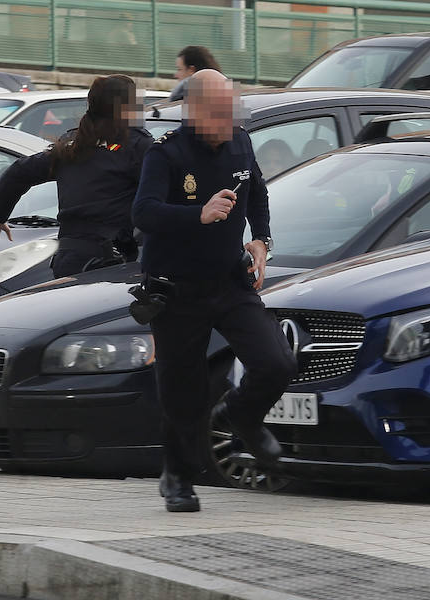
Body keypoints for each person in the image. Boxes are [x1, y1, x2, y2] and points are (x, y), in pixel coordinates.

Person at [132, 69, 298, 513]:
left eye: (232, 111)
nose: (230, 120)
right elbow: (144, 212)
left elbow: (257, 193)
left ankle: (241, 414)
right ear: (196, 112)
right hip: (176, 288)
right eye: (221, 113)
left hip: (228, 280)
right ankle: (179, 477)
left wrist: (261, 239)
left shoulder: (240, 143)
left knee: (276, 361)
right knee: (183, 392)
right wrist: (198, 215)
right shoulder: (164, 153)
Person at [0, 74, 152, 278]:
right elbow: (161, 195)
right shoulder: (137, 146)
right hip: (109, 264)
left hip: (68, 259)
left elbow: (21, 170)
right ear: (126, 107)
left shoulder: (74, 143)